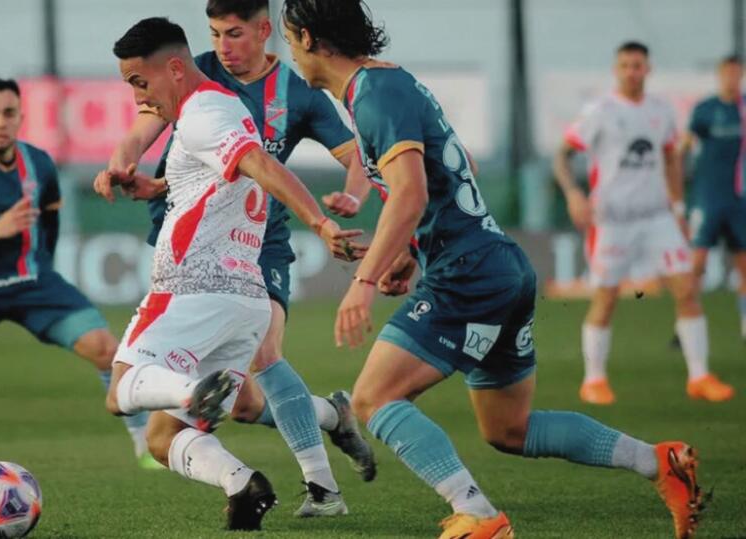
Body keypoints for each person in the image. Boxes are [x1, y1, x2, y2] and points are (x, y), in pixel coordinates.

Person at [281, 2, 706, 537]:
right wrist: (411, 253)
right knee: (510, 428)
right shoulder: (389, 82)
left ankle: (479, 515)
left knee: (374, 399)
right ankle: (658, 462)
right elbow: (461, 168)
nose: (289, 52)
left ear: (311, 38)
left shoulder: (374, 93)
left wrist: (364, 282)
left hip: (470, 273)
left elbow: (409, 194)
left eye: (289, 39)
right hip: (497, 264)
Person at [94, 0, 375, 517]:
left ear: (265, 30)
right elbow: (198, 166)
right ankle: (246, 481)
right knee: (198, 422)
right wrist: (140, 179)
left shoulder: (223, 104)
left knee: (125, 391)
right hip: (234, 284)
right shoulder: (209, 92)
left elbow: (260, 162)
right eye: (216, 33)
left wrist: (328, 216)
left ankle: (322, 487)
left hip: (208, 275)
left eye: (235, 32)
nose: (224, 45)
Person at [0, 76, 156, 475]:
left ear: (20, 117)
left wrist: (38, 265)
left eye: (8, 113)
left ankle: (148, 448)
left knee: (106, 348)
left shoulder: (38, 164)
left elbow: (50, 226)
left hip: (34, 285)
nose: (0, 122)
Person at [554, 42, 734, 404]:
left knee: (686, 289)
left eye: (638, 65)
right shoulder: (600, 111)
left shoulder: (660, 110)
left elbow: (670, 157)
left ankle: (699, 376)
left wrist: (678, 208)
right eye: (625, 65)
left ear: (647, 69)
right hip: (613, 221)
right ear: (616, 69)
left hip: (657, 218)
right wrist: (574, 194)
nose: (631, 71)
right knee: (606, 298)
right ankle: (594, 380)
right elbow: (562, 153)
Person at [683, 54, 746, 344]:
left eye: (737, 73)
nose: (732, 78)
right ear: (720, 75)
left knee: (743, 265)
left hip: (739, 201)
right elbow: (684, 146)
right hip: (707, 197)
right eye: (727, 73)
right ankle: (685, 323)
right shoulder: (706, 110)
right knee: (697, 264)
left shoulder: (744, 109)